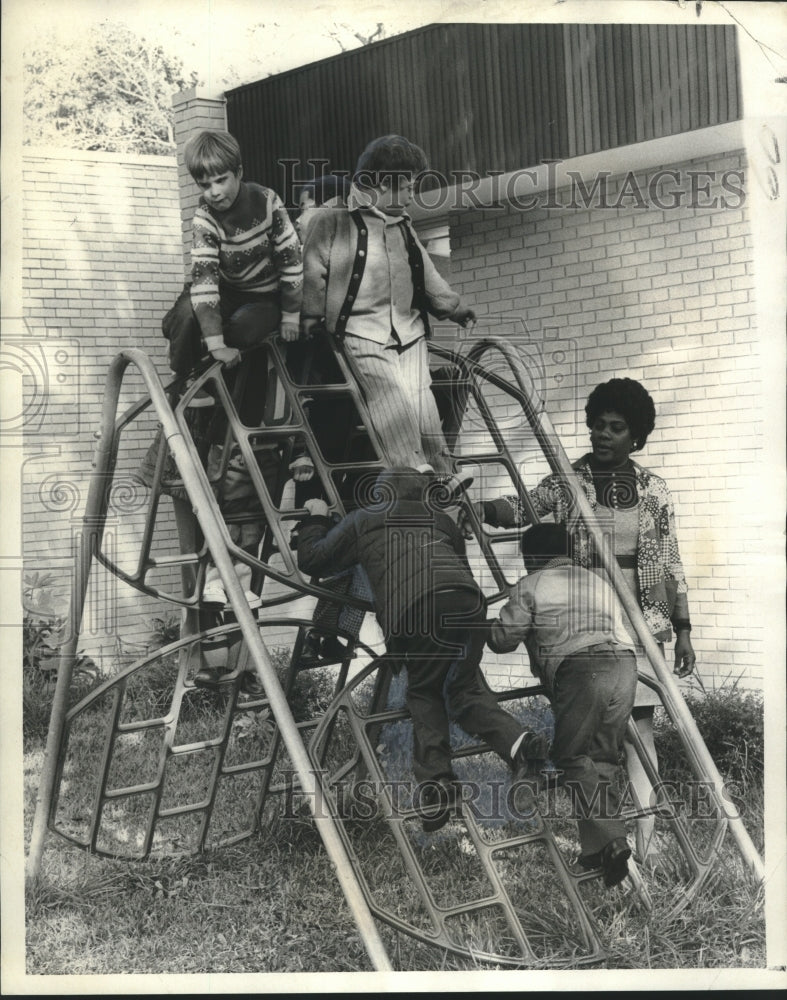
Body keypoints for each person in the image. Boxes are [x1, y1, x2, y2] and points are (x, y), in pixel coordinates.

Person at [468, 377, 697, 863]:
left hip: (642, 622)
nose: (602, 435)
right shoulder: (568, 482)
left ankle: (647, 840)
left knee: (640, 730)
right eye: (597, 425)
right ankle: (604, 841)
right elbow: (522, 507)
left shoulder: (655, 491)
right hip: (585, 621)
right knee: (592, 739)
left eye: (616, 428)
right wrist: (479, 510)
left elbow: (673, 563)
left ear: (637, 436)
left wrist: (683, 630)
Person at [295, 467, 549, 832]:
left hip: (416, 610)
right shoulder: (441, 521)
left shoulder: (365, 518)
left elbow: (313, 559)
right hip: (467, 605)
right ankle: (521, 745)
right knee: (462, 690)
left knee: (424, 691)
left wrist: (316, 518)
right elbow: (457, 564)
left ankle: (438, 785)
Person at [301, 134, 476, 483]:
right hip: (360, 330)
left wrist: (452, 307)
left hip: (407, 329)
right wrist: (310, 314)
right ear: (381, 184)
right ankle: (410, 468)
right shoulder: (334, 219)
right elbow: (314, 268)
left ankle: (442, 472)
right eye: (407, 187)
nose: (412, 195)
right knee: (389, 395)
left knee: (421, 398)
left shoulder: (404, 227)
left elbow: (426, 275)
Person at [488, 523, 638, 888]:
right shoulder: (595, 580)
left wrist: (483, 626)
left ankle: (614, 838)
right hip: (625, 664)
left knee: (569, 755)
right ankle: (595, 850)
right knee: (601, 757)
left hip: (582, 667)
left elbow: (504, 639)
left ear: (532, 557)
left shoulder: (532, 584)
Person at [162, 128, 304, 433]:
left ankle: (210, 361)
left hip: (264, 296)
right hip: (225, 289)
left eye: (220, 180)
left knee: (245, 327)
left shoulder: (266, 202)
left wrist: (292, 314)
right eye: (205, 185)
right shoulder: (205, 216)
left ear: (238, 172)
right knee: (186, 313)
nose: (213, 192)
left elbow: (291, 260)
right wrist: (215, 344)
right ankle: (186, 373)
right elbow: (204, 280)